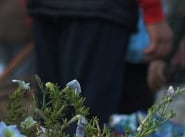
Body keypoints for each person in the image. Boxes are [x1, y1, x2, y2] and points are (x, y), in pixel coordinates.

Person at [26, 0, 173, 125]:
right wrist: (154, 12)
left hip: (45, 8)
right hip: (99, 11)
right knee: (87, 119)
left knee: (52, 113)